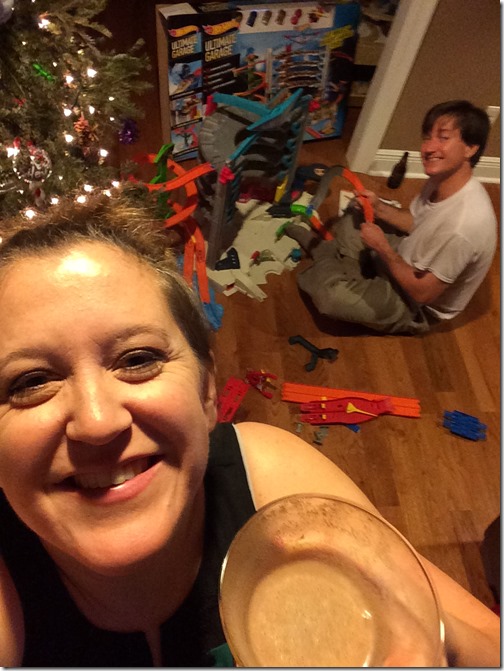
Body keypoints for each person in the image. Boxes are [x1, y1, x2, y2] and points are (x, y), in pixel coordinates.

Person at [0, 194, 499, 667]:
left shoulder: (270, 480)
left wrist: (435, 636)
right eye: (30, 382)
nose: (97, 421)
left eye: (138, 359)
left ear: (207, 393)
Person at [286, 100, 497, 334]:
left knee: (331, 299)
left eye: (443, 138)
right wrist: (378, 208)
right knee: (355, 214)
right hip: (408, 255)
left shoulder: (463, 227)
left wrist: (382, 248)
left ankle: (327, 256)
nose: (428, 148)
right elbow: (416, 222)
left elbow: (423, 293)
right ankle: (347, 269)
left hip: (416, 304)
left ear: (470, 148)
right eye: (427, 137)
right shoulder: (442, 179)